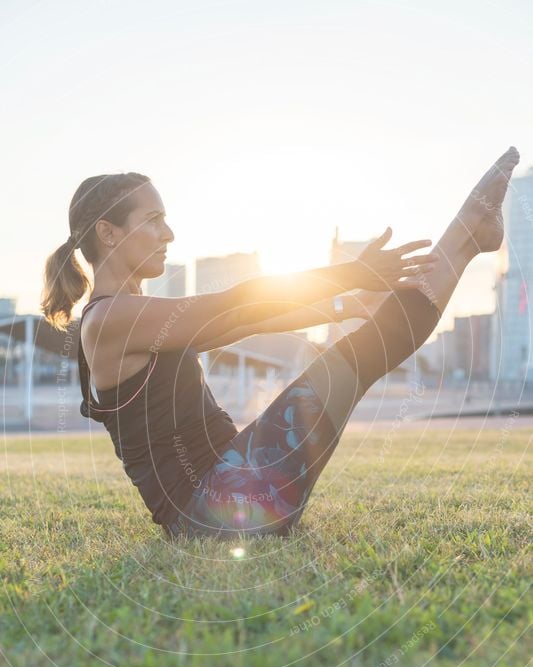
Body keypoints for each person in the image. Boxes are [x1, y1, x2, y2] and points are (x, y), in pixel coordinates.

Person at [41, 147, 520, 540]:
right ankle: (468, 235)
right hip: (215, 510)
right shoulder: (108, 321)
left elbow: (242, 322)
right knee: (357, 358)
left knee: (363, 347)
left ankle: (470, 237)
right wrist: (350, 274)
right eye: (153, 220)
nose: (169, 233)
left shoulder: (134, 317)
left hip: (230, 492)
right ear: (108, 232)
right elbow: (234, 303)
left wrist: (344, 304)